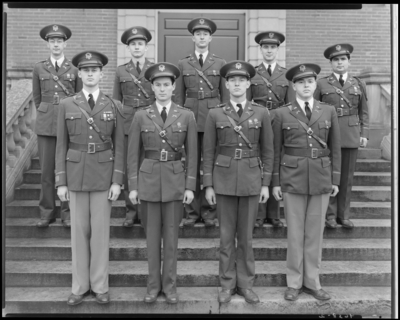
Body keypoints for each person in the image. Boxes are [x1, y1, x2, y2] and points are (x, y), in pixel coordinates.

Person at [55, 51, 125, 305]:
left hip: (104, 175)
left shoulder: (112, 104)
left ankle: (99, 285)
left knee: (100, 234)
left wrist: (117, 180)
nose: (90, 74)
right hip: (75, 174)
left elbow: (120, 145)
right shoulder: (67, 104)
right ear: (79, 74)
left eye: (94, 70)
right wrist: (60, 181)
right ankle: (79, 286)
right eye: (86, 71)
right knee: (78, 234)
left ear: (101, 74)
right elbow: (60, 145)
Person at [203, 60, 274, 304]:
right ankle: (226, 284)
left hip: (251, 180)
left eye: (241, 80)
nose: (237, 83)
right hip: (222, 180)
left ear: (248, 83)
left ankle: (245, 284)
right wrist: (208, 185)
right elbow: (208, 152)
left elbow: (268, 151)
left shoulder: (261, 112)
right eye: (232, 80)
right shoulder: (215, 113)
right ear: (226, 83)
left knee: (246, 238)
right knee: (225, 238)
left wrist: (265, 183)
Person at [127, 62, 197, 304]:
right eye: (158, 85)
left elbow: (193, 154)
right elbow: (133, 154)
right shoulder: (140, 115)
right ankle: (152, 286)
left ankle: (170, 286)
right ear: (152, 88)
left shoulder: (186, 115)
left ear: (174, 87)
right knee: (151, 238)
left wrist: (190, 186)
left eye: (166, 85)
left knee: (171, 238)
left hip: (176, 181)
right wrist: (133, 186)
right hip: (147, 181)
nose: (162, 89)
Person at [271, 63, 341, 301]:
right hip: (292, 177)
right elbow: (275, 150)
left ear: (315, 84)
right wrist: (276, 183)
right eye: (301, 82)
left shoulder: (328, 110)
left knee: (315, 233)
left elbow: (335, 148)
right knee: (295, 234)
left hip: (321, 176)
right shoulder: (281, 113)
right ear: (293, 86)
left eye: (309, 82)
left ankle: (312, 281)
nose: (306, 86)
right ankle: (293, 282)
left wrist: (336, 179)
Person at [174, 17, 229, 227]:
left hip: (213, 118)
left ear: (211, 37)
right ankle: (191, 212)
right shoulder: (183, 63)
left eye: (205, 34)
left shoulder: (220, 63)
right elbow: (178, 96)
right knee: (190, 164)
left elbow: (225, 96)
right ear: (193, 37)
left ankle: (209, 212)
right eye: (198, 34)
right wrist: (179, 120)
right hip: (190, 117)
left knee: (210, 164)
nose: (202, 37)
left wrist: (224, 121)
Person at [314, 43, 369, 229]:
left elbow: (364, 112)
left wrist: (364, 134)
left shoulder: (358, 83)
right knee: (330, 175)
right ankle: (329, 215)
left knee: (347, 177)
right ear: (331, 63)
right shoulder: (321, 84)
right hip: (328, 135)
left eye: (343, 59)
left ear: (348, 62)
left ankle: (343, 215)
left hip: (351, 135)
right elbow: (315, 111)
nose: (339, 63)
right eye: (336, 60)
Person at [33, 24, 83, 228]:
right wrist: (47, 113)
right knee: (46, 171)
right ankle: (46, 213)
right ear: (48, 43)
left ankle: (67, 212)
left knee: (67, 170)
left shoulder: (74, 69)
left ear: (65, 43)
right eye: (52, 41)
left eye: (59, 41)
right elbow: (37, 98)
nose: (56, 44)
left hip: (68, 125)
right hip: (46, 125)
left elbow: (78, 99)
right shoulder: (38, 68)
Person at [247, 31, 296, 228]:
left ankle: (274, 214)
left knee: (276, 162)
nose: (269, 50)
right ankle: (259, 214)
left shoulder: (286, 75)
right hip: (258, 121)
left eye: (273, 47)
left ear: (277, 49)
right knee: (260, 162)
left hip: (279, 122)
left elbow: (290, 104)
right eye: (265, 47)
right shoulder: (252, 73)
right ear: (261, 49)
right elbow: (248, 101)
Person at [112, 26, 155, 227]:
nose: (137, 47)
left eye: (140, 44)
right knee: (131, 168)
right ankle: (131, 212)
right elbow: (116, 100)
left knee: (148, 167)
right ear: (129, 48)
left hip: (149, 123)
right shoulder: (121, 70)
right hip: (128, 123)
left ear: (146, 47)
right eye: (133, 44)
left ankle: (146, 210)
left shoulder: (154, 69)